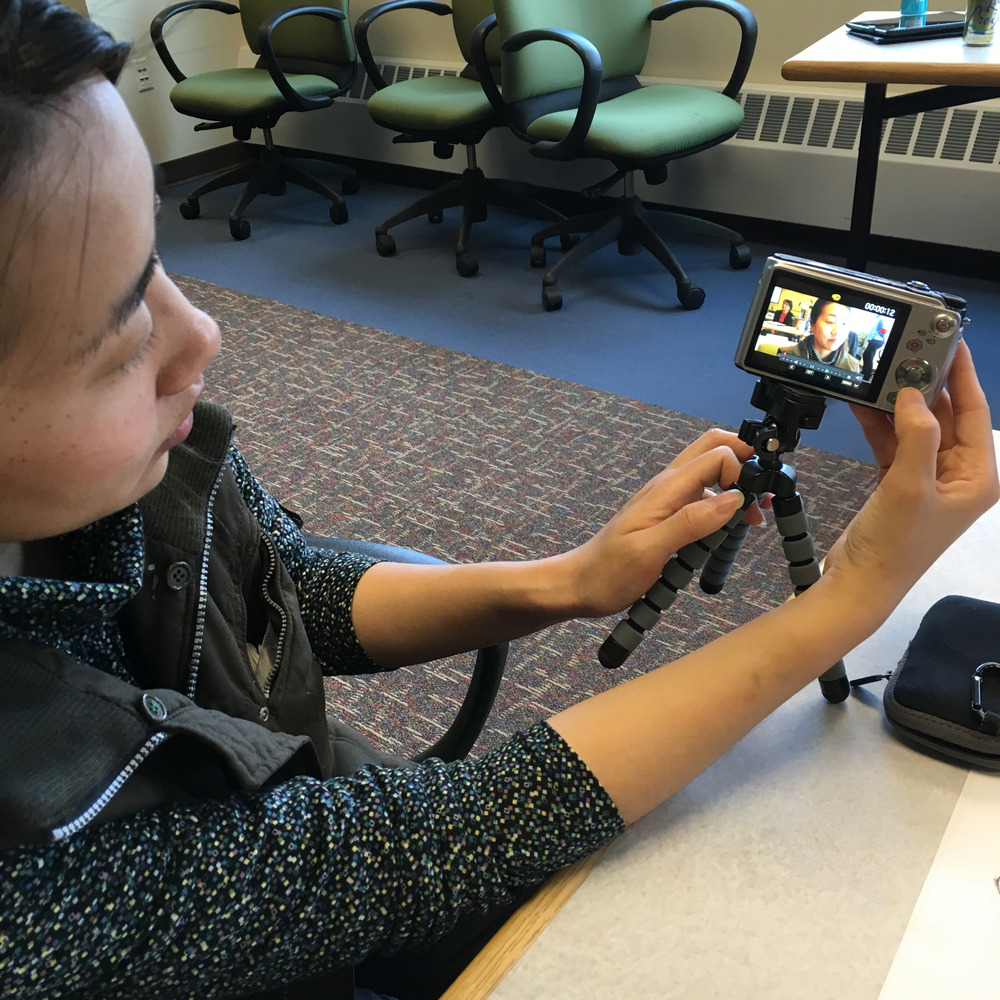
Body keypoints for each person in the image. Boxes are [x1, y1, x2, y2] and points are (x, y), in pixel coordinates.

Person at [1, 4, 998, 1000]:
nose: (201, 339)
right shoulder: (24, 885)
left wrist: (563, 582)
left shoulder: (140, 453)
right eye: (122, 327)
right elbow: (413, 849)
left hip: (293, 789)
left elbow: (276, 581)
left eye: (161, 260)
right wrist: (855, 594)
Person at [784, 299, 861, 372]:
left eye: (844, 323)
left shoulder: (853, 367)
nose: (836, 331)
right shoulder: (786, 355)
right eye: (830, 321)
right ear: (812, 324)